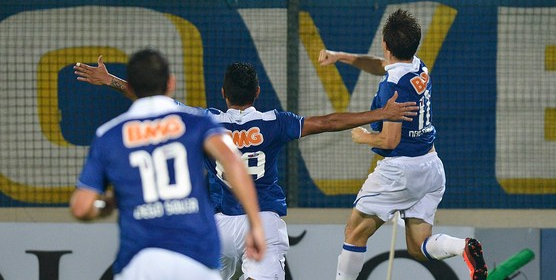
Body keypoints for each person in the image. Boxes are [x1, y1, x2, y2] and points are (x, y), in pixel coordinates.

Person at [73, 59, 418, 279]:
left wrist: (112, 81)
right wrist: (379, 115)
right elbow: (328, 121)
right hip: (262, 221)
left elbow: (157, 104)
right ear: (257, 91)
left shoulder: (205, 122)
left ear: (223, 93)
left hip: (217, 224)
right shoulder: (274, 123)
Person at [318, 9, 488, 280]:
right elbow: (380, 65)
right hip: (431, 168)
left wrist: (363, 137)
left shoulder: (393, 87)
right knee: (419, 247)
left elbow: (389, 140)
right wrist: (341, 57)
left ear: (385, 44)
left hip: (401, 171)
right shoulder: (418, 67)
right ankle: (462, 247)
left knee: (354, 232)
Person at [70, 48, 265, 280]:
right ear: (171, 84)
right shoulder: (198, 123)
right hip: (197, 258)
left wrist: (107, 205)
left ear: (131, 87)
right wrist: (255, 224)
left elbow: (81, 207)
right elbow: (233, 162)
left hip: (140, 263)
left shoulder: (109, 135)